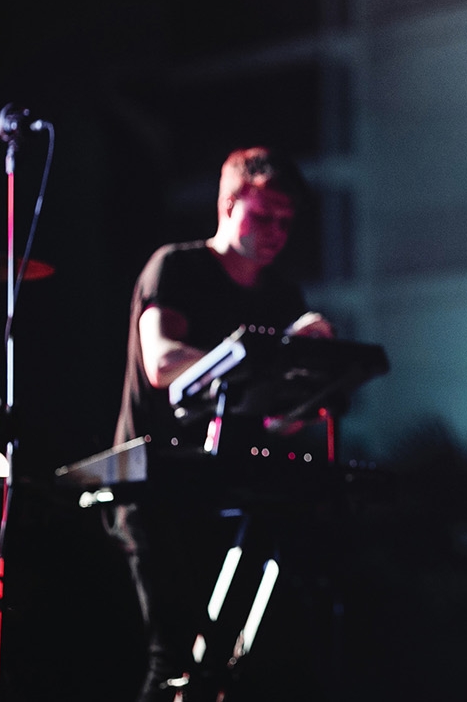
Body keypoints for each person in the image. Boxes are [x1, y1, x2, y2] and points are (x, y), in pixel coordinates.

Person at [110, 147, 334, 702]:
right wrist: (266, 356)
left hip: (231, 491)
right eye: (263, 216)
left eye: (285, 221)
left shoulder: (281, 296)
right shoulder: (176, 267)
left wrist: (313, 377)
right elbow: (162, 362)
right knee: (174, 659)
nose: (276, 232)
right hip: (155, 486)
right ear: (228, 205)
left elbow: (278, 422)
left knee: (236, 666)